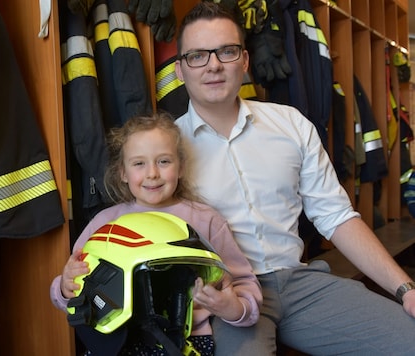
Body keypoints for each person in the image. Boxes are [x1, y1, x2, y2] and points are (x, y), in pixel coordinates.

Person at [173, 2, 415, 355]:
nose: (213, 65)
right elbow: (130, 224)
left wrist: (406, 289)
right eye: (197, 56)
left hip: (300, 283)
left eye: (226, 51)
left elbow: (337, 218)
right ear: (180, 70)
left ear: (244, 61)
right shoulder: (166, 150)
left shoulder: (291, 124)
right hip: (231, 296)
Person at [50, 112, 262, 355]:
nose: (152, 173)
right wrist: (65, 288)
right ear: (122, 172)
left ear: (181, 167)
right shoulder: (104, 223)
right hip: (115, 344)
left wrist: (233, 308)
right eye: (139, 163)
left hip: (185, 343)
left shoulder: (206, 220)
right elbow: (69, 292)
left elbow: (245, 284)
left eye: (163, 161)